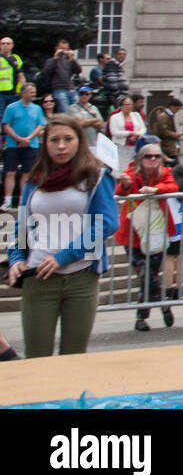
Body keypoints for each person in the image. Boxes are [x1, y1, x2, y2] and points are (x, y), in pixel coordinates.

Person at [6, 114, 119, 357]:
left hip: (81, 277)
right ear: (44, 144)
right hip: (38, 277)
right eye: (54, 140)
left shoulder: (97, 177)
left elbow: (107, 224)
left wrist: (64, 257)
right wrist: (16, 259)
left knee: (74, 358)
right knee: (37, 358)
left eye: (68, 139)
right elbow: (22, 228)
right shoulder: (33, 182)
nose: (61, 146)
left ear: (79, 141)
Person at [114, 143, 179, 331]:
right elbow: (120, 191)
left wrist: (156, 189)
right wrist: (126, 183)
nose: (153, 159)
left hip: (156, 231)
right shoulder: (132, 172)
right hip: (133, 232)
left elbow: (172, 186)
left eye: (157, 156)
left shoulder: (164, 172)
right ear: (140, 158)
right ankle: (162, 304)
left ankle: (142, 316)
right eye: (148, 156)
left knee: (150, 275)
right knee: (146, 275)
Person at [3, 83, 45, 209]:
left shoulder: (37, 108)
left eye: (34, 92)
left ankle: (23, 200)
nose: (33, 94)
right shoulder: (11, 108)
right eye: (31, 92)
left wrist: (29, 138)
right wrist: (18, 139)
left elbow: (40, 125)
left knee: (27, 173)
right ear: (23, 93)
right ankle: (8, 200)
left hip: (31, 145)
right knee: (10, 172)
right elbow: (6, 126)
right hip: (13, 145)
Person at [163, 163, 183, 309]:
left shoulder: (171, 186)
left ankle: (168, 288)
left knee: (170, 257)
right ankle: (178, 288)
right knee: (181, 257)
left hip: (172, 225)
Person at [38, 40, 82, 113]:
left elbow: (78, 70)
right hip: (59, 89)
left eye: (66, 49)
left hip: (70, 88)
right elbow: (46, 71)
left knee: (78, 110)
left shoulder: (69, 60)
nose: (64, 51)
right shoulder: (51, 60)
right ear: (57, 48)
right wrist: (55, 58)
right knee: (65, 111)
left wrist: (73, 59)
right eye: (62, 49)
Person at [107, 96, 145, 178]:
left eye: (131, 104)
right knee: (120, 169)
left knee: (133, 169)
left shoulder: (136, 115)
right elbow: (114, 132)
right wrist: (129, 133)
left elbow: (143, 129)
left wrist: (137, 135)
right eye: (127, 104)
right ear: (121, 106)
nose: (129, 107)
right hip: (121, 146)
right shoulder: (114, 117)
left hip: (134, 146)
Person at [148, 97, 183, 165]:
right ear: (172, 107)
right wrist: (175, 134)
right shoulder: (163, 116)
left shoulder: (169, 116)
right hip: (167, 148)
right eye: (177, 109)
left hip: (171, 148)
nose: (177, 111)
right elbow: (163, 132)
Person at [0, 36, 25, 117]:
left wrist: (24, 90)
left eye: (8, 43)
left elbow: (20, 75)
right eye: (3, 43)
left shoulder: (16, 58)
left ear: (12, 45)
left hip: (14, 93)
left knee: (13, 116)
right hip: (1, 93)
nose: (5, 45)